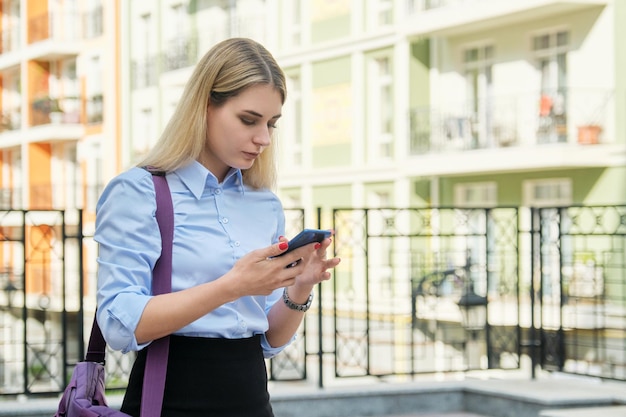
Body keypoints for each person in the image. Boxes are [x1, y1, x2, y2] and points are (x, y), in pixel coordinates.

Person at [95, 37, 341, 417]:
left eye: (272, 124)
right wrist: (232, 286)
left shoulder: (265, 203)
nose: (263, 138)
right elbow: (117, 323)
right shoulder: (140, 191)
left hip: (251, 399)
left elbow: (271, 339)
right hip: (170, 398)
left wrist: (300, 286)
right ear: (205, 106)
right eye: (249, 120)